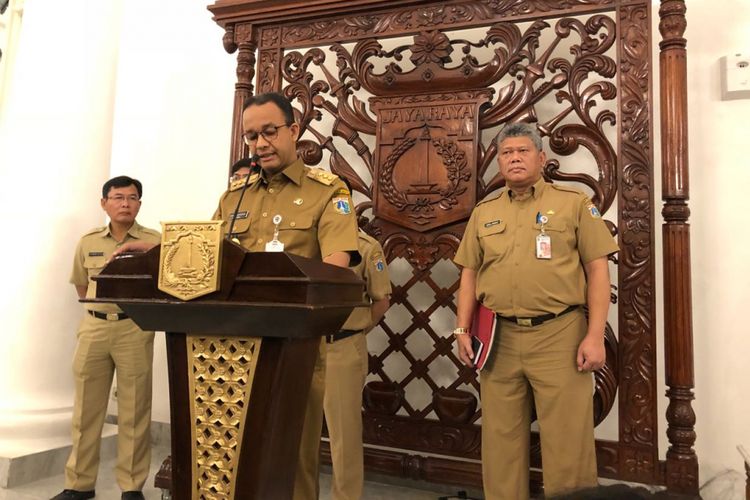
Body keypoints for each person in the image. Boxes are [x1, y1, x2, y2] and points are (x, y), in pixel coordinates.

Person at [453, 122, 619, 500]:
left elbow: (597, 271)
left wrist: (595, 336)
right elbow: (469, 274)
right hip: (499, 339)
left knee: (567, 442)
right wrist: (462, 330)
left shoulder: (573, 204)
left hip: (559, 336)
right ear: (498, 162)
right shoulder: (485, 212)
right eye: (506, 153)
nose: (514, 158)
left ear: (541, 158)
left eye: (522, 151)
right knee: (500, 441)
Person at [53, 176, 161, 500]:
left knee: (134, 410)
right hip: (94, 328)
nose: (125, 203)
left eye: (132, 198)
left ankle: (131, 488)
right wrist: (98, 312)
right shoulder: (87, 242)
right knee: (86, 410)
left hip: (134, 328)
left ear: (140, 204)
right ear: (104, 203)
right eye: (117, 197)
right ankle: (79, 485)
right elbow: (81, 285)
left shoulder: (154, 241)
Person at [322, 227, 391, 500]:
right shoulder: (304, 239)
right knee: (295, 429)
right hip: (299, 345)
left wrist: (357, 330)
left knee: (344, 435)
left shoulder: (364, 246)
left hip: (342, 347)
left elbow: (381, 300)